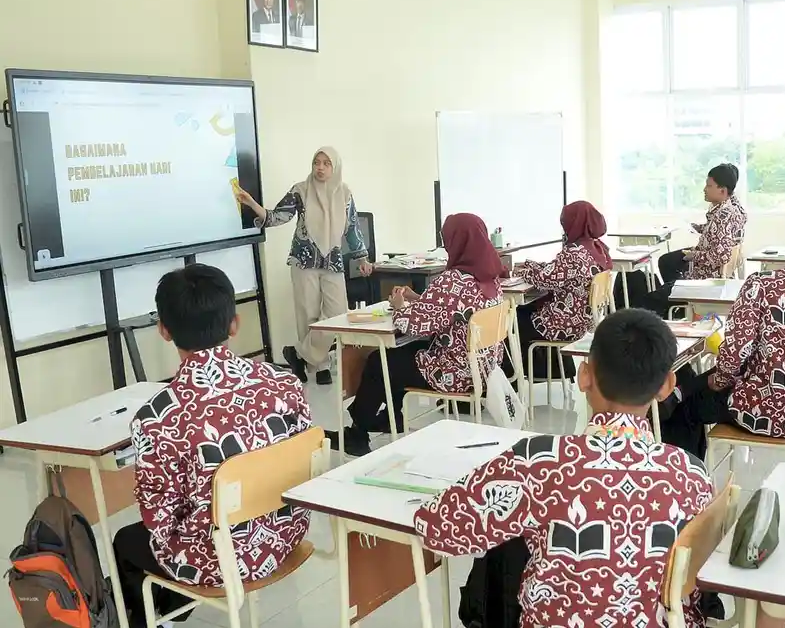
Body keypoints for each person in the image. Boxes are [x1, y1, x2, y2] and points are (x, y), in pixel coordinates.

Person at [414, 309, 714, 628]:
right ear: (667, 385)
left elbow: (438, 529)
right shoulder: (692, 474)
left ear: (584, 374)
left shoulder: (539, 460)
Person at [115, 264, 311, 627]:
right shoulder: (284, 382)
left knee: (126, 541)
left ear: (163, 330)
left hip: (220, 561)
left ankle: (163, 617)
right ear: (234, 324)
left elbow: (158, 519)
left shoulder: (157, 417)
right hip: (287, 536)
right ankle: (173, 611)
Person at [659, 215, 785, 459]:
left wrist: (718, 381)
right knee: (713, 378)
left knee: (683, 409)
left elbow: (735, 352)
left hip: (760, 410)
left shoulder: (761, 286)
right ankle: (679, 392)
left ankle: (687, 480)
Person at [335, 213, 504, 456]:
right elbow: (452, 310)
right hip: (483, 370)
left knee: (380, 361)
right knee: (399, 357)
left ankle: (358, 432)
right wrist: (419, 298)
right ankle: (388, 416)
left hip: (452, 373)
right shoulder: (490, 277)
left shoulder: (451, 282)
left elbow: (412, 325)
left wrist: (399, 306)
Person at [238, 147, 372, 385]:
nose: (320, 168)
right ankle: (318, 366)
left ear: (335, 167)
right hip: (304, 260)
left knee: (338, 314)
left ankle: (299, 353)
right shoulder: (300, 190)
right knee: (308, 315)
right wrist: (253, 204)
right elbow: (277, 216)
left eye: (326, 163)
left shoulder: (344, 193)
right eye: (316, 162)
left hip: (332, 260)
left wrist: (363, 258)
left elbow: (352, 228)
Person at [514, 200, 611, 380]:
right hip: (581, 321)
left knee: (512, 322)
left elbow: (545, 280)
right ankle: (554, 372)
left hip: (561, 325)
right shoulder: (598, 248)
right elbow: (556, 271)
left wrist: (523, 272)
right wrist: (531, 265)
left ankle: (518, 379)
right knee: (523, 312)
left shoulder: (573, 253)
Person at [634, 164, 747, 316]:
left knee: (648, 300)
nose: (704, 189)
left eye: (709, 186)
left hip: (704, 280)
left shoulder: (723, 216)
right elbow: (717, 236)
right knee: (667, 266)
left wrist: (693, 255)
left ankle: (679, 306)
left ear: (722, 190)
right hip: (703, 272)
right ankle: (676, 303)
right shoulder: (728, 209)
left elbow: (720, 256)